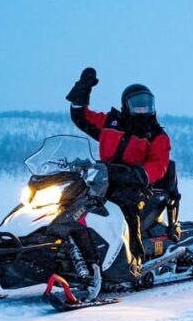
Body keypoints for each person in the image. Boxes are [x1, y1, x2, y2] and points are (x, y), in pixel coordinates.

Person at [66, 67, 172, 273]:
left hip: (137, 184)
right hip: (104, 177)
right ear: (126, 105)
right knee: (73, 200)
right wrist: (82, 89)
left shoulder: (156, 135)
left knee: (126, 205)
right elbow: (82, 117)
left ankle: (134, 257)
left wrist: (139, 174)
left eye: (146, 105)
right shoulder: (110, 122)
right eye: (137, 105)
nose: (142, 110)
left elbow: (159, 165)